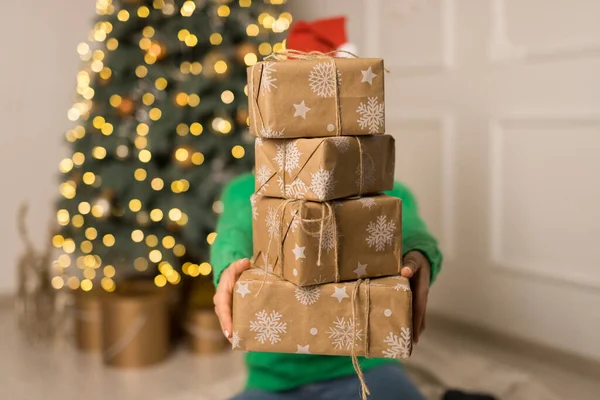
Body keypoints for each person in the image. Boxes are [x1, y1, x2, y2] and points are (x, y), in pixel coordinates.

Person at [212, 172, 443, 400]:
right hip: (274, 381)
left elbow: (411, 229)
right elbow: (235, 231)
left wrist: (418, 251)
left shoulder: (388, 192)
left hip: (366, 367)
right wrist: (230, 264)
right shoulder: (244, 190)